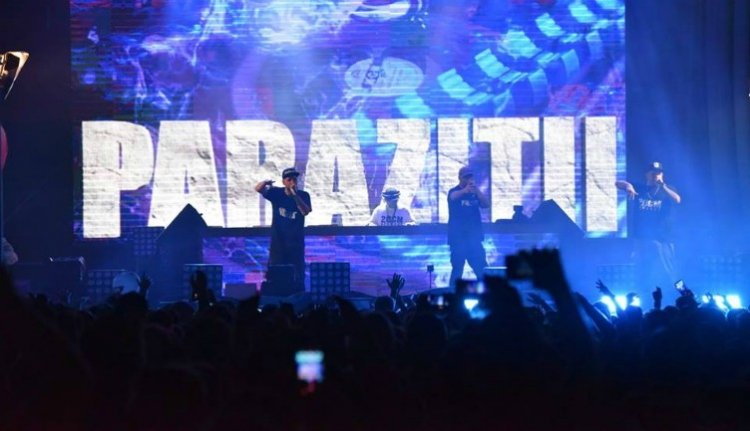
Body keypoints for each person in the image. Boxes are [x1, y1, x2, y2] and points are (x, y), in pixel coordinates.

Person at [616, 161, 681, 299]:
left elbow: (677, 199)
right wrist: (628, 186)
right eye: (652, 173)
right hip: (642, 238)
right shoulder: (640, 188)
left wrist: (663, 186)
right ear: (647, 175)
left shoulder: (668, 189)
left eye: (658, 173)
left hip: (663, 238)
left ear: (662, 175)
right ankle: (641, 297)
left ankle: (679, 296)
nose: (655, 176)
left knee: (670, 270)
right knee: (642, 269)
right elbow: (617, 183)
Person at [255, 167, 312, 291]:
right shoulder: (277, 193)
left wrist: (295, 195)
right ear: (284, 182)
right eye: (289, 179)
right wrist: (266, 182)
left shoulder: (303, 195)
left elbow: (305, 211)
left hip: (295, 243)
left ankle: (298, 294)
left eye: (294, 179)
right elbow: (258, 189)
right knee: (276, 272)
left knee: (297, 273)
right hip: (278, 243)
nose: (293, 182)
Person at [447, 166, 490, 288]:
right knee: (457, 269)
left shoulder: (475, 193)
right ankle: (453, 294)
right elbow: (453, 197)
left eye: (470, 177)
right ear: (460, 178)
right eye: (466, 177)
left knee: (481, 268)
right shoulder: (454, 191)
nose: (468, 179)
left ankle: (488, 294)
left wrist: (477, 191)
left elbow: (486, 204)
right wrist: (465, 190)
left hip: (474, 238)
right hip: (458, 239)